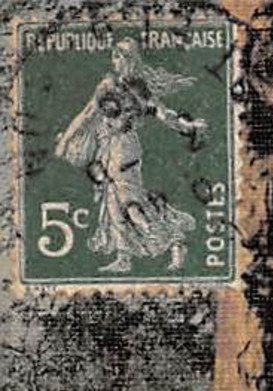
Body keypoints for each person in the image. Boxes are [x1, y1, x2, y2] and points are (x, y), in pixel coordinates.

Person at [54, 39, 206, 273]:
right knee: (113, 204)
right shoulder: (111, 84)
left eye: (118, 57)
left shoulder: (134, 88)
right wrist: (65, 141)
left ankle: (173, 241)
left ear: (129, 60)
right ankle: (124, 258)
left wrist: (187, 125)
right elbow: (87, 115)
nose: (113, 61)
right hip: (109, 148)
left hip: (123, 149)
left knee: (131, 205)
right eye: (113, 57)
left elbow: (161, 113)